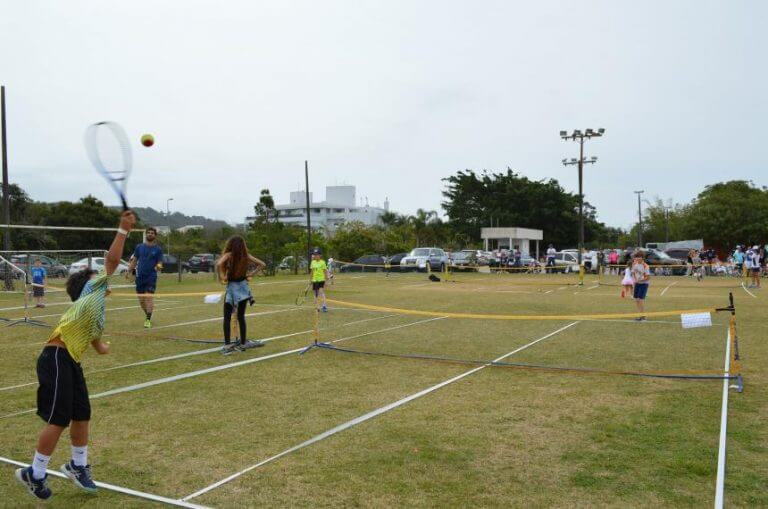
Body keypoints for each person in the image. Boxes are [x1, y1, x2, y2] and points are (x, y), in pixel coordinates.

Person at [14, 211, 136, 501]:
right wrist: (123, 229)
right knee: (59, 418)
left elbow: (95, 341)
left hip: (71, 360)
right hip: (56, 357)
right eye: (98, 276)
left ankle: (77, 466)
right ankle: (35, 473)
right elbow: (112, 261)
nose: (104, 277)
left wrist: (103, 347)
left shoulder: (96, 309)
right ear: (90, 283)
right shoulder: (91, 290)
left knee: (82, 413)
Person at [216, 235, 266, 354]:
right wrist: (251, 274)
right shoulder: (246, 256)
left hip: (232, 288)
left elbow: (218, 264)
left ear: (230, 245)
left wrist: (221, 276)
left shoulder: (228, 255)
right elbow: (262, 264)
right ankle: (243, 342)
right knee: (241, 316)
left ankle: (227, 344)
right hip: (243, 288)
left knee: (227, 317)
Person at [127, 227, 163, 328]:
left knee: (148, 297)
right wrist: (128, 271)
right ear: (146, 234)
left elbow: (160, 262)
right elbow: (134, 260)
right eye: (148, 233)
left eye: (152, 233)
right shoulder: (139, 247)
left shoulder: (158, 249)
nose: (150, 234)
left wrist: (158, 267)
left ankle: (148, 320)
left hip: (151, 277)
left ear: (155, 236)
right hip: (140, 277)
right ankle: (148, 314)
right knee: (142, 301)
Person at [630, 251, 651, 320]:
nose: (637, 258)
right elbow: (633, 273)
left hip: (644, 284)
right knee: (636, 299)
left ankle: (643, 316)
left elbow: (648, 277)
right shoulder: (634, 264)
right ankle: (640, 314)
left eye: (639, 257)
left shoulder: (645, 266)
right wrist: (635, 279)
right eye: (636, 257)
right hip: (637, 283)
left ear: (642, 258)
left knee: (640, 300)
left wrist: (640, 280)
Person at [310, 248, 329, 312]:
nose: (315, 256)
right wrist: (310, 280)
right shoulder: (312, 262)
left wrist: (326, 281)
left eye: (317, 254)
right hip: (315, 280)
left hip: (321, 280)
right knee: (315, 294)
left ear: (320, 255)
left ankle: (324, 306)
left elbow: (325, 272)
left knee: (321, 292)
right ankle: (317, 306)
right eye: (314, 254)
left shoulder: (323, 262)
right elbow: (312, 272)